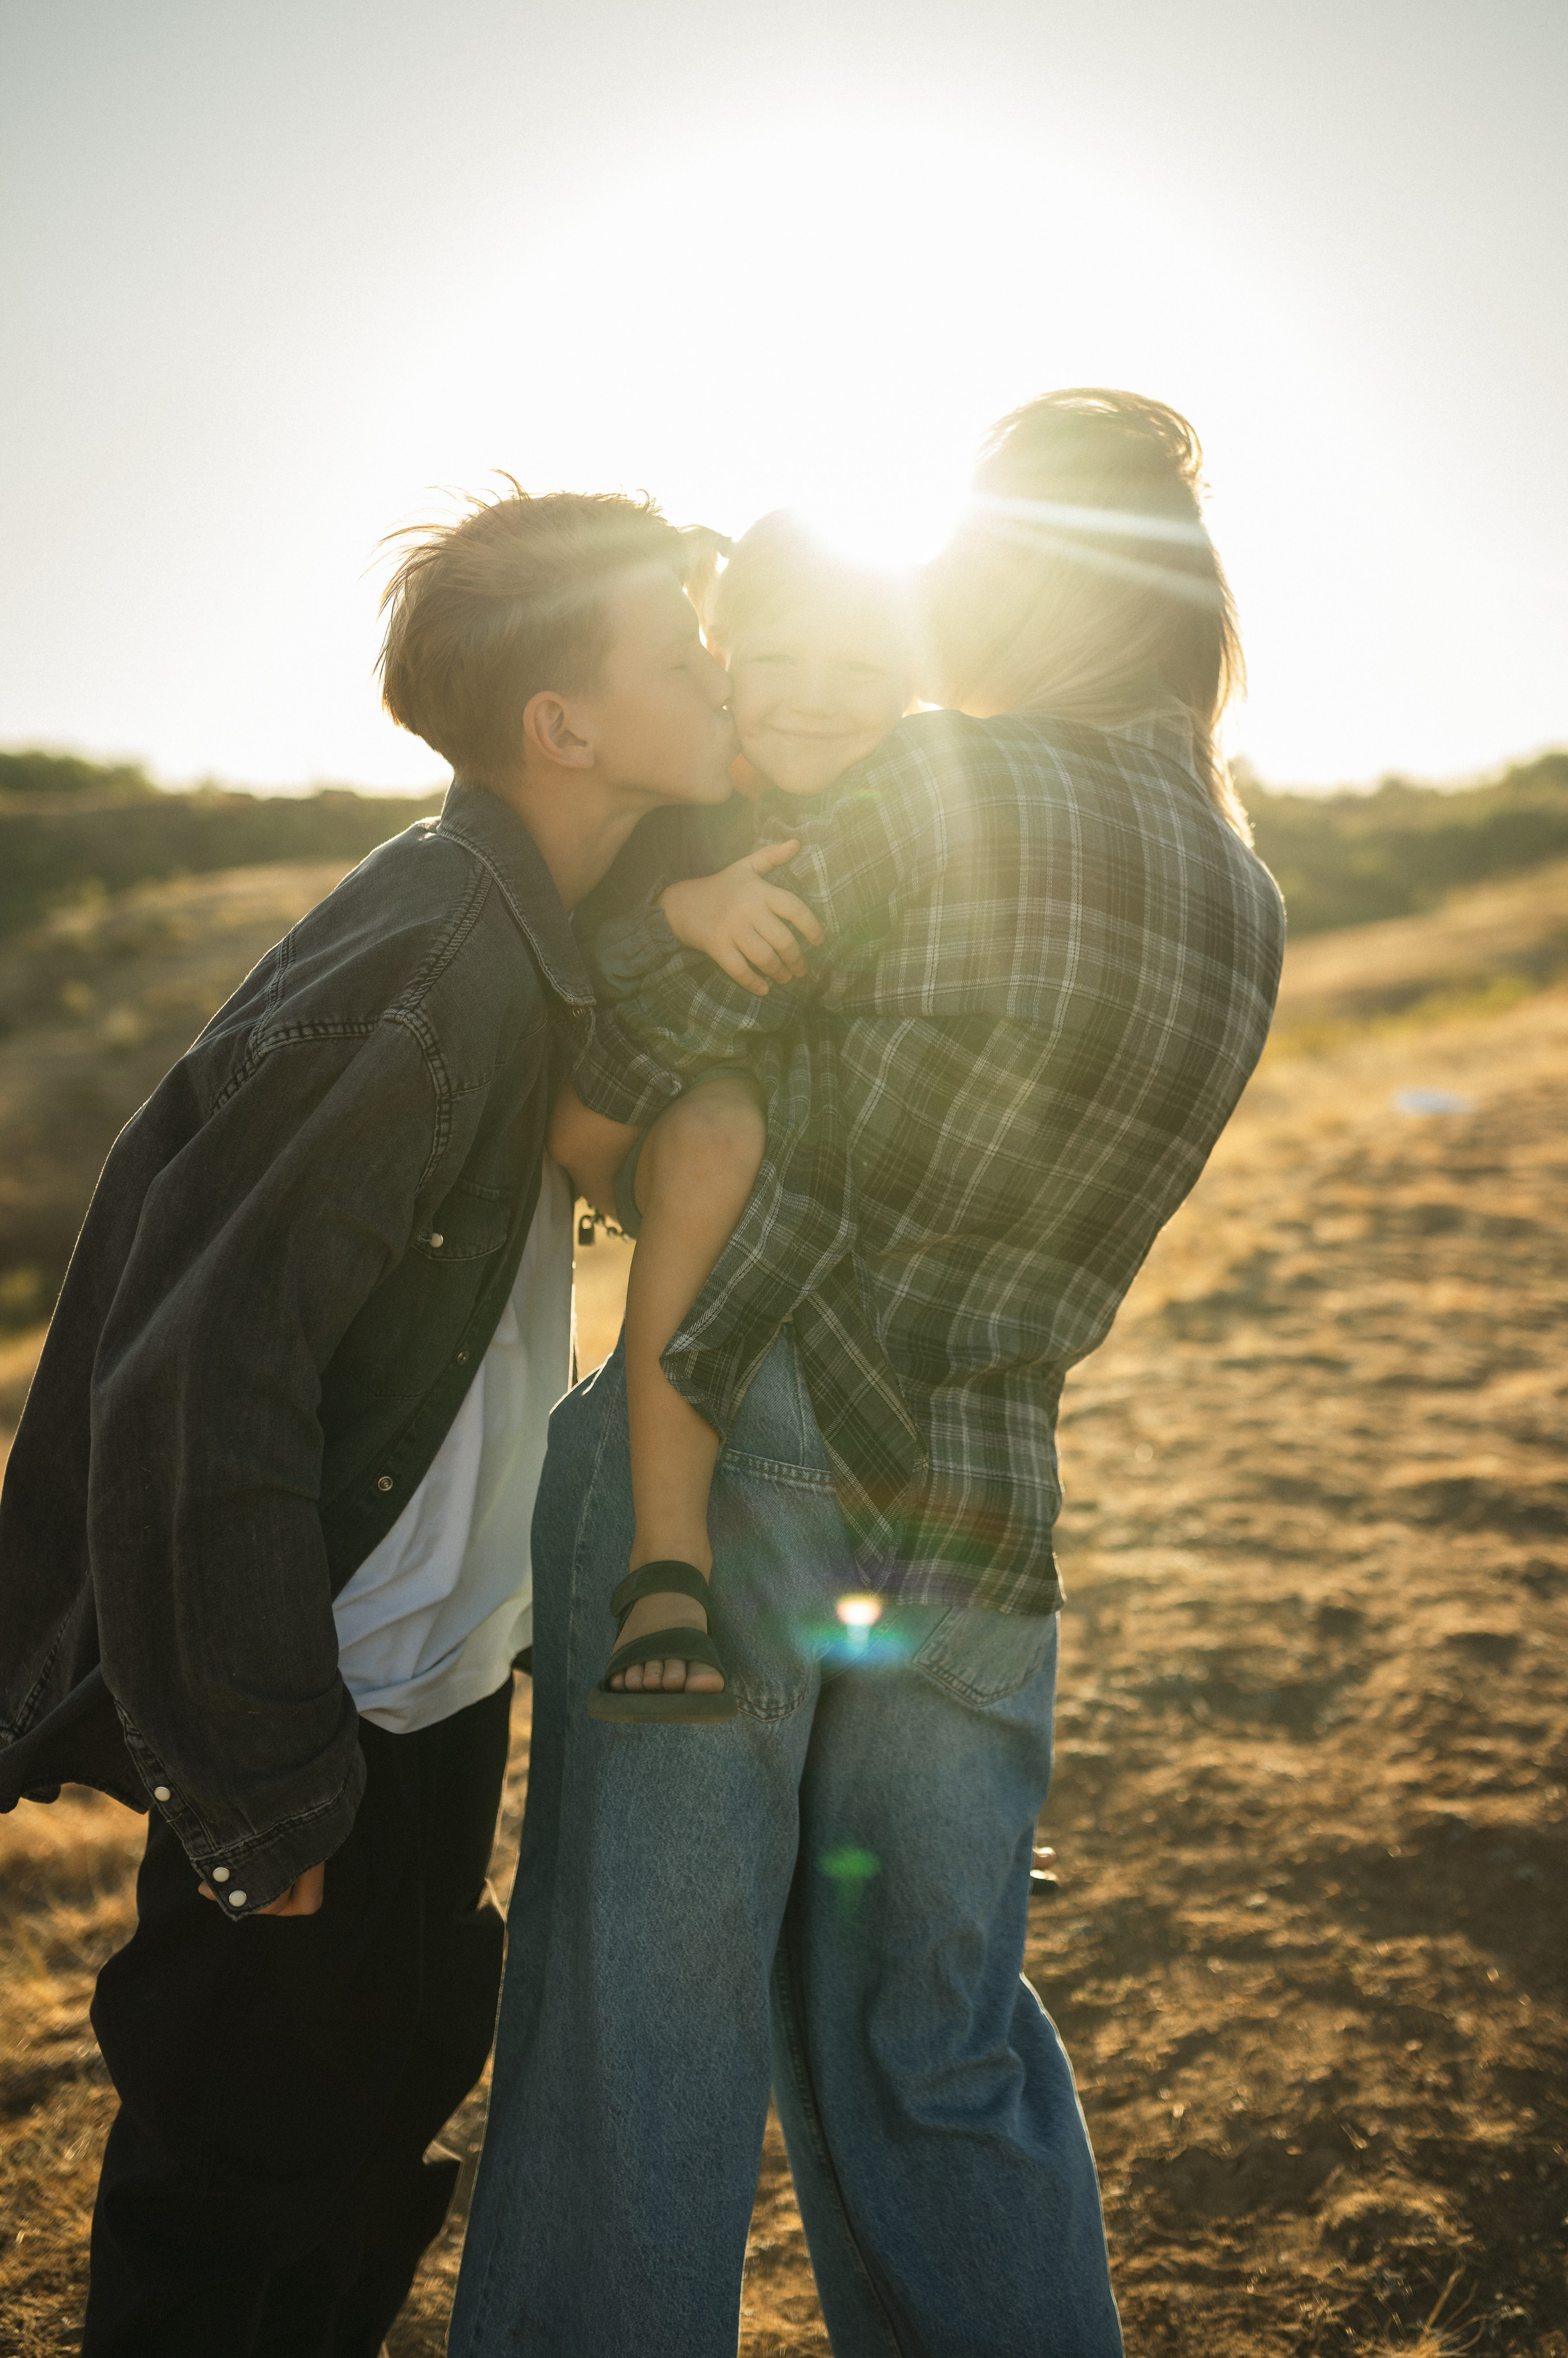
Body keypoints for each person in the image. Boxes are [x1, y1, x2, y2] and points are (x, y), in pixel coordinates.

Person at [449, 391, 1287, 2358]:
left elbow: (627, 1045)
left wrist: (653, 923)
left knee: (640, 2044)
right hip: (989, 1521)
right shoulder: (1245, 895)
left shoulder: (942, 788)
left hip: (742, 1445)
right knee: (939, 2044)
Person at [0, 488, 735, 2355]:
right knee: (242, 2211)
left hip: (424, 1677)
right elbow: (195, 1378)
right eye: (681, 647)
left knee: (362, 2142)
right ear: (561, 727)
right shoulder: (428, 967)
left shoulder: (520, 915)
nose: (720, 671)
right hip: (321, 1696)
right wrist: (258, 1787)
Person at [548, 512, 916, 1719]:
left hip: (848, 1168)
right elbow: (581, 955)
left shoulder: (918, 801)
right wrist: (681, 913)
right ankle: (666, 1562)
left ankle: (917, 1732)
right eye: (779, 662)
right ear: (720, 658)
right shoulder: (684, 799)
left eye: (861, 667)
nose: (818, 698)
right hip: (680, 1132)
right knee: (717, 1130)